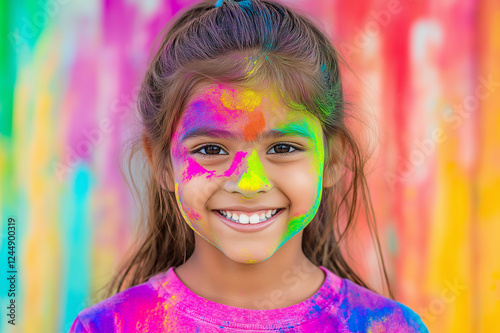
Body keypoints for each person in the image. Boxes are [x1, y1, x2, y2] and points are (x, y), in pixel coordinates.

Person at [69, 0, 429, 331]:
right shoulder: (109, 326)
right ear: (162, 163)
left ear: (331, 159)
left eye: (283, 147)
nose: (249, 182)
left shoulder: (387, 327)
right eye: (211, 149)